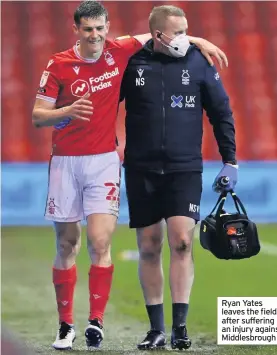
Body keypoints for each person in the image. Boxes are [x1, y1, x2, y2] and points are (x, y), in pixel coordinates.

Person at [31, 0, 229, 351]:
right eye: (87, 29)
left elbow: (167, 40)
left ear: (107, 28)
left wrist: (199, 40)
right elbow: (50, 112)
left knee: (133, 241)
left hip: (141, 163)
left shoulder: (142, 53)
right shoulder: (85, 62)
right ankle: (86, 326)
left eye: (100, 28)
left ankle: (117, 323)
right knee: (90, 245)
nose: (95, 35)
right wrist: (65, 114)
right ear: (76, 29)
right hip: (96, 163)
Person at [120, 5, 238, 351]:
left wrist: (230, 161)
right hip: (141, 167)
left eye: (189, 30)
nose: (186, 37)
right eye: (179, 31)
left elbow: (222, 112)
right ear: (157, 34)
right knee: (149, 246)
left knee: (182, 242)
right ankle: (156, 329)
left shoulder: (199, 62)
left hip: (184, 167)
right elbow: (104, 95)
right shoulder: (132, 63)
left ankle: (180, 328)